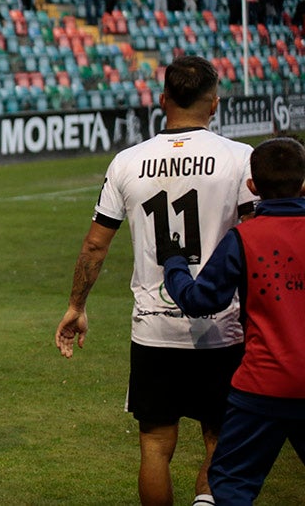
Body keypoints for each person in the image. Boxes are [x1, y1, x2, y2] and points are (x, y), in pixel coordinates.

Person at [55, 55, 257, 506]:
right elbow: (257, 243)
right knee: (220, 438)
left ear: (162, 100)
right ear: (215, 104)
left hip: (153, 328)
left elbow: (94, 245)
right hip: (223, 327)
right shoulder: (240, 160)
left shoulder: (127, 162)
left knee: (155, 446)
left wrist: (76, 306)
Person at [161, 137, 305, 505]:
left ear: (252, 187)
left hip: (262, 384)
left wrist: (175, 262)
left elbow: (200, 301)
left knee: (230, 488)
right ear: (304, 182)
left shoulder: (243, 238)